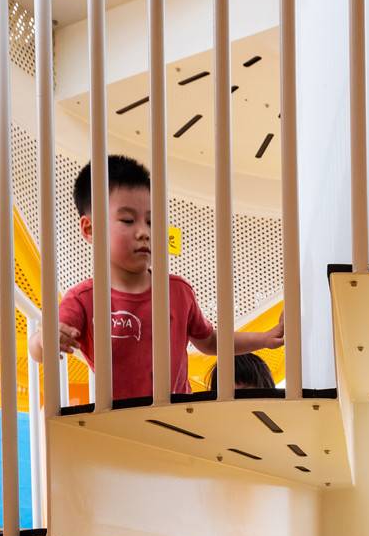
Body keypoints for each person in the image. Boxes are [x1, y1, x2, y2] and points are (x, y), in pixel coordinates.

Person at [29, 155, 284, 400]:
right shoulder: (84, 299)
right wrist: (44, 341)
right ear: (90, 229)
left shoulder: (178, 291)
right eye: (128, 220)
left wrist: (265, 338)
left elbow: (210, 341)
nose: (144, 232)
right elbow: (38, 350)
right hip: (121, 418)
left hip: (178, 415)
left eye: (151, 221)